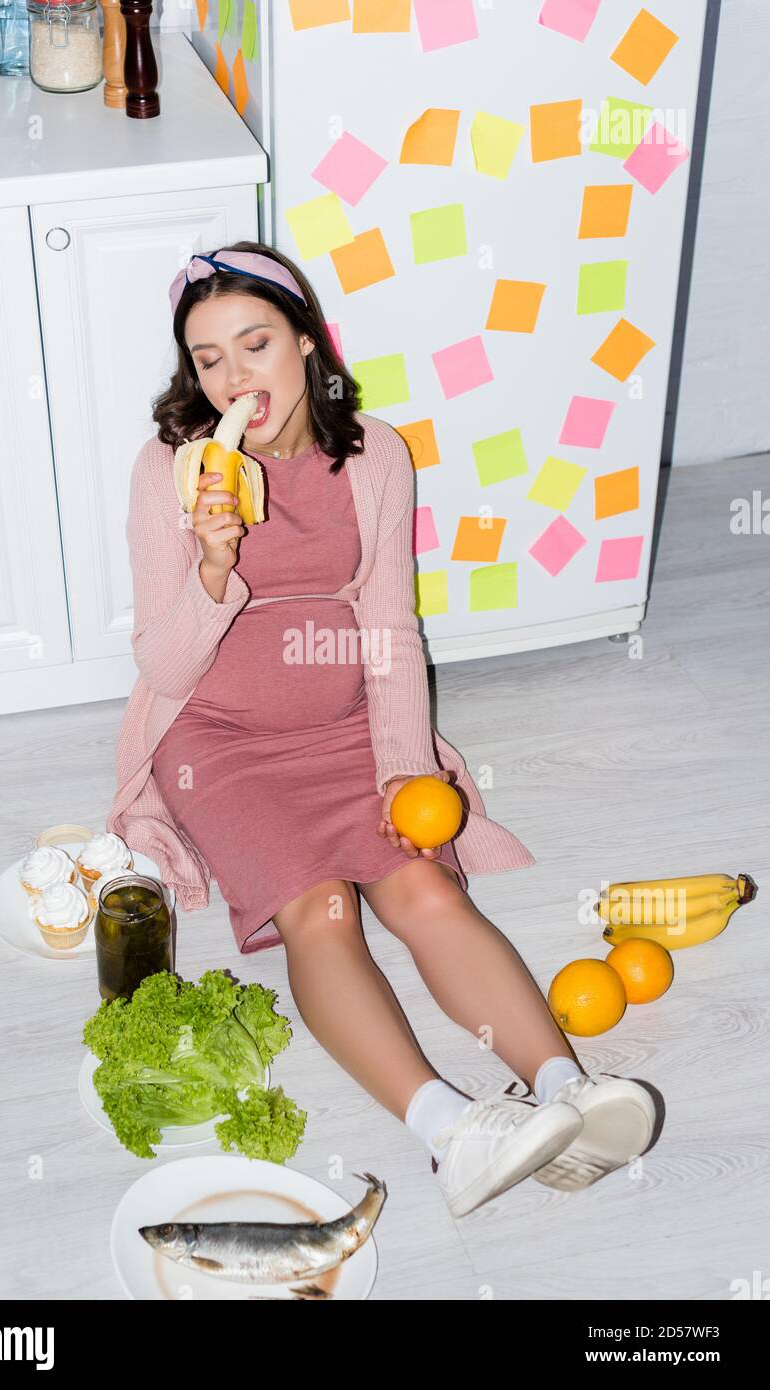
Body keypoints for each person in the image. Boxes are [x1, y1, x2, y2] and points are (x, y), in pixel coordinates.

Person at [139, 241, 656, 1218]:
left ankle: (565, 1095)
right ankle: (450, 1134)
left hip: (341, 722)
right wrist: (213, 571)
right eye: (209, 359)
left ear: (306, 342)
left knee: (419, 878)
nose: (236, 377)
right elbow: (163, 669)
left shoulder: (375, 452)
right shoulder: (169, 469)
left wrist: (402, 765)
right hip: (219, 741)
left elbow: (387, 626)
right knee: (324, 909)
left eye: (255, 343)